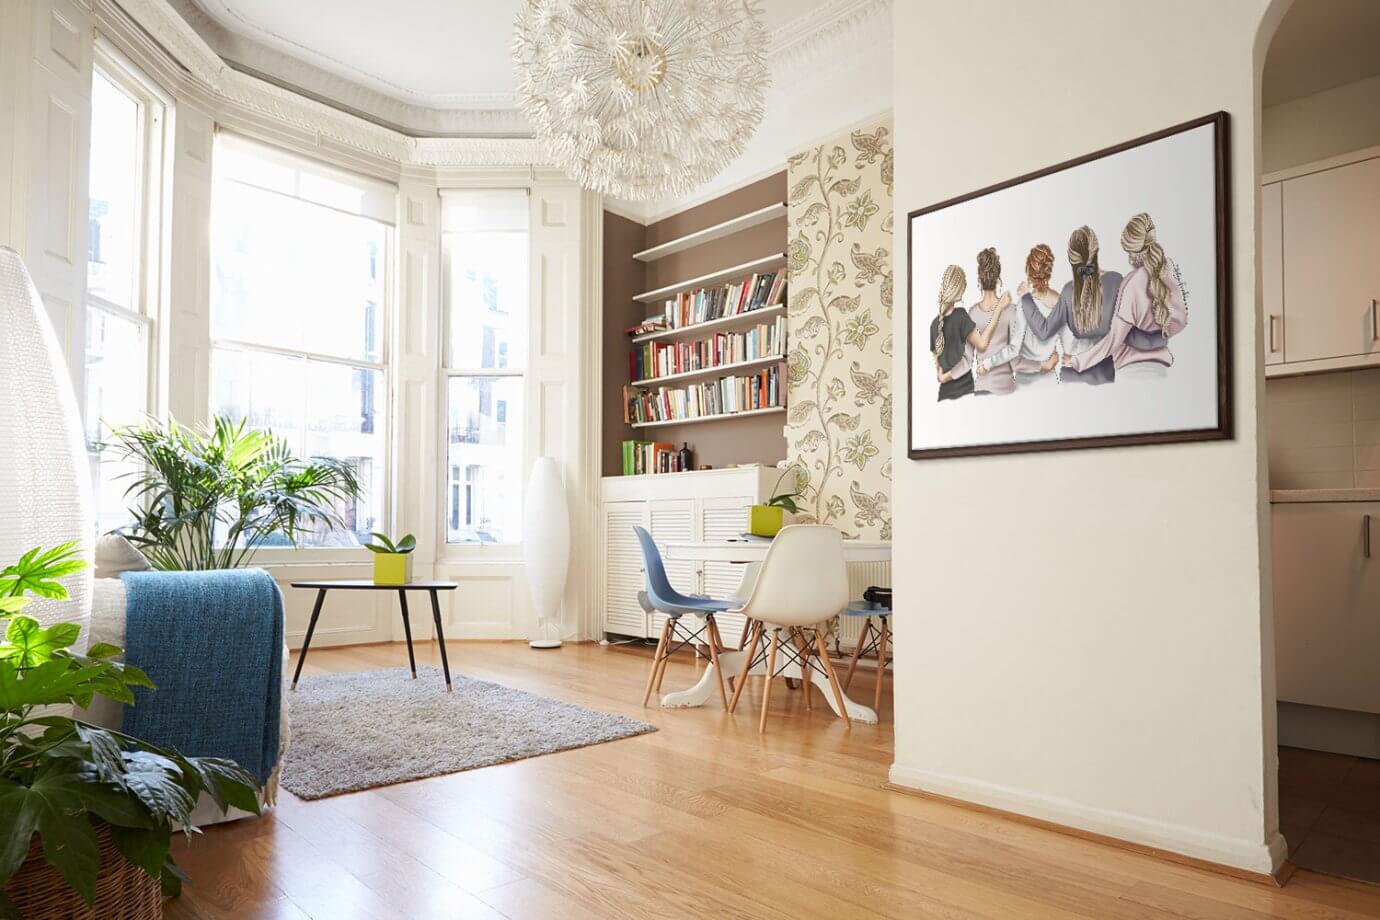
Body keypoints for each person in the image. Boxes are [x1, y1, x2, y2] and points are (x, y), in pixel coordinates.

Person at [1020, 226, 1162, 385]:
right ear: (1096, 250)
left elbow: (1044, 331)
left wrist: (1026, 297)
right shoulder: (1116, 281)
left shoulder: (1068, 292)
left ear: (1070, 258)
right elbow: (1133, 333)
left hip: (1070, 377)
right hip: (1105, 375)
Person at [1063, 212, 1187, 378]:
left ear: (1131, 250)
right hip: (1164, 363)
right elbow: (1180, 321)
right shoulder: (1169, 267)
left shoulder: (1130, 284)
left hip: (1132, 370)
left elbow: (1113, 341)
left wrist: (1077, 361)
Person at [977, 243, 1063, 390]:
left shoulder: (1024, 302)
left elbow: (1013, 349)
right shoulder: (1061, 301)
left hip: (1027, 381)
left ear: (1028, 271)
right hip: (1051, 380)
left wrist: (987, 364)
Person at [929, 264, 1008, 401]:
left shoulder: (934, 324)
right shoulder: (961, 317)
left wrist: (943, 378)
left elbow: (938, 366)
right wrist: (998, 310)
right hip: (964, 391)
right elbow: (982, 345)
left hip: (944, 394)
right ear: (960, 289)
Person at [966, 248, 1021, 395]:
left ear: (979, 279)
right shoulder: (1011, 310)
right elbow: (1016, 357)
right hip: (1005, 388)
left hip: (981, 387)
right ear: (998, 279)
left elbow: (968, 358)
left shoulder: (972, 313)